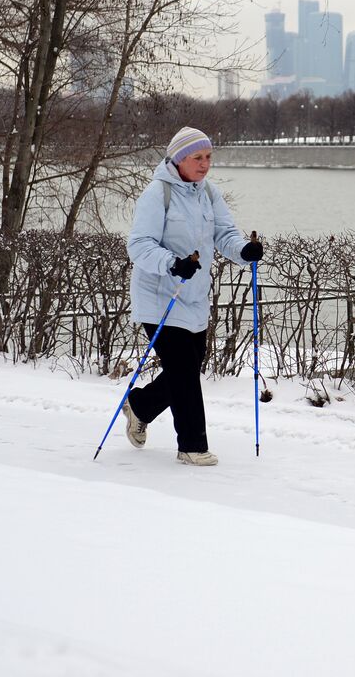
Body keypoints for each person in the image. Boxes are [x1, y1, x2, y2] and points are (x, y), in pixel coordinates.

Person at [123, 126, 262, 466]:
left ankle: (140, 405)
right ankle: (192, 446)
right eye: (197, 158)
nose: (204, 164)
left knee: (185, 369)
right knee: (183, 370)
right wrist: (172, 263)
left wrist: (245, 250)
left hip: (194, 295)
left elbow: (225, 233)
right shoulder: (158, 194)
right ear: (178, 159)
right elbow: (139, 245)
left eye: (208, 157)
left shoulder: (208, 193)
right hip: (159, 296)